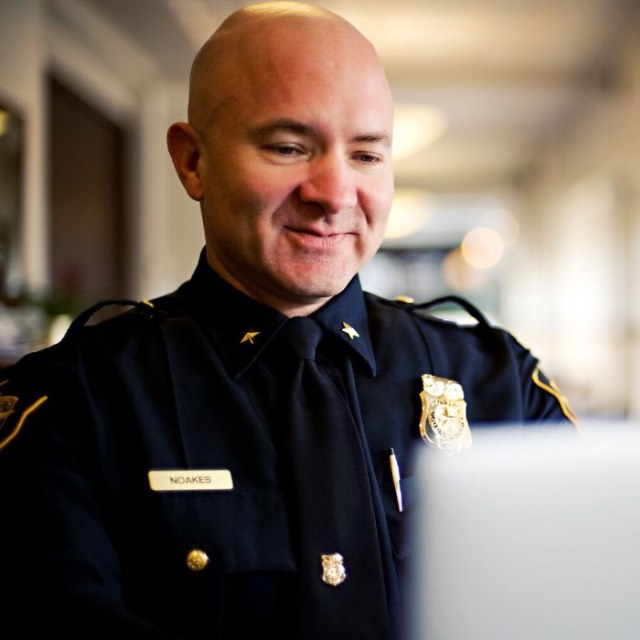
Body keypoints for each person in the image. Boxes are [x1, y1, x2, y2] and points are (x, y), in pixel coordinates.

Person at [0, 2, 578, 639]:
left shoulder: (501, 384)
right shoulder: (75, 403)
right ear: (193, 161)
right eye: (287, 147)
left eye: (366, 156)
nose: (334, 193)